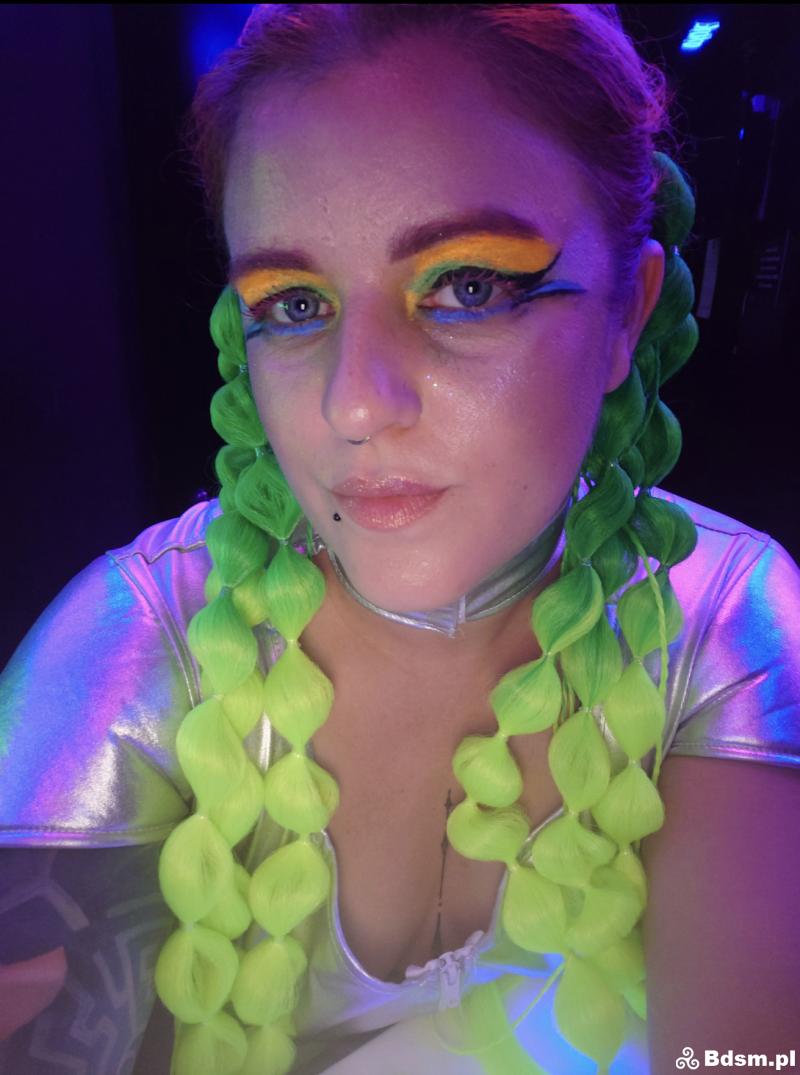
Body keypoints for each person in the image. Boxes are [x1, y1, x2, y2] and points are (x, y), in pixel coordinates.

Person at [1, 5, 799, 1074]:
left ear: (625, 312)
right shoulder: (141, 638)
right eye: (294, 304)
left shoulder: (722, 621)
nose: (355, 404)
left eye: (466, 288)